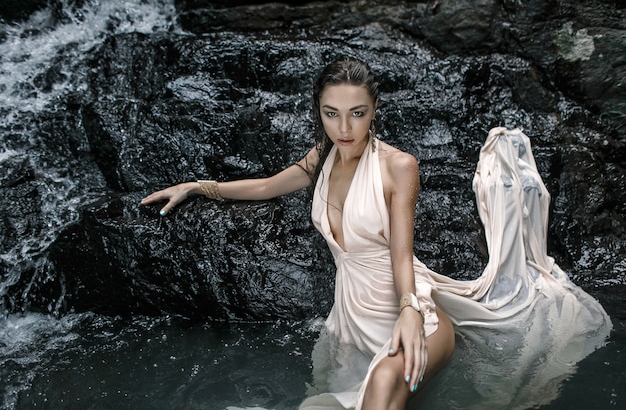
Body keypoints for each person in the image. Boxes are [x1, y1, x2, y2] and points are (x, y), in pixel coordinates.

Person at [141, 57, 612, 410]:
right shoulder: (320, 159)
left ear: (375, 110)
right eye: (331, 114)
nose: (344, 128)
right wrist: (196, 187)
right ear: (319, 112)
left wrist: (410, 310)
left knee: (384, 388)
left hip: (411, 309)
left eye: (357, 114)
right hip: (352, 319)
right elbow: (265, 186)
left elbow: (402, 252)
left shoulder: (398, 166)